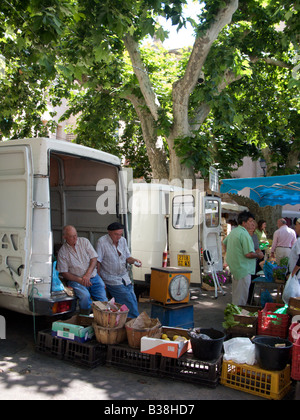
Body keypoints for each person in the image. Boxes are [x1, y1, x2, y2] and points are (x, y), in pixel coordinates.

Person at [57, 225, 107, 314]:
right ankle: (85, 316)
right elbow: (64, 272)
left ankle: (103, 317)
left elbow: (94, 258)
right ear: (65, 237)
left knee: (103, 299)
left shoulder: (84, 241)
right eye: (71, 236)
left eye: (75, 235)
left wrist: (87, 275)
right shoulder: (62, 252)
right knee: (85, 296)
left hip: (93, 276)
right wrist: (80, 280)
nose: (75, 238)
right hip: (76, 280)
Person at [96, 222, 142, 318]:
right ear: (109, 232)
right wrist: (99, 280)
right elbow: (98, 262)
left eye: (120, 234)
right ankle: (134, 321)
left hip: (124, 276)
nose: (118, 237)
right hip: (110, 278)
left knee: (132, 297)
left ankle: (130, 320)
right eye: (116, 234)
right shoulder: (102, 242)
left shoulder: (123, 240)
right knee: (127, 299)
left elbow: (128, 257)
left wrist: (134, 261)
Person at [223, 211, 264, 305]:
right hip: (243, 269)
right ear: (244, 223)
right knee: (241, 298)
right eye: (250, 221)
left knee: (237, 296)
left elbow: (224, 243)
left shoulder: (234, 231)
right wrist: (259, 255)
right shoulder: (244, 234)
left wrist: (232, 254)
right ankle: (238, 317)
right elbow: (248, 254)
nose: (252, 223)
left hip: (236, 268)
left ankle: (235, 315)